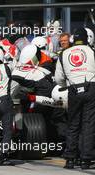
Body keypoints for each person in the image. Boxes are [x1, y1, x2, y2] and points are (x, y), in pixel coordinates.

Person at [55, 27, 95, 169]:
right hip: (91, 87)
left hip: (73, 89)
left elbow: (59, 78)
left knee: (73, 124)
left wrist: (69, 84)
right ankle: (86, 159)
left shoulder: (64, 53)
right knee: (89, 124)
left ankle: (70, 158)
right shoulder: (92, 51)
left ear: (73, 39)